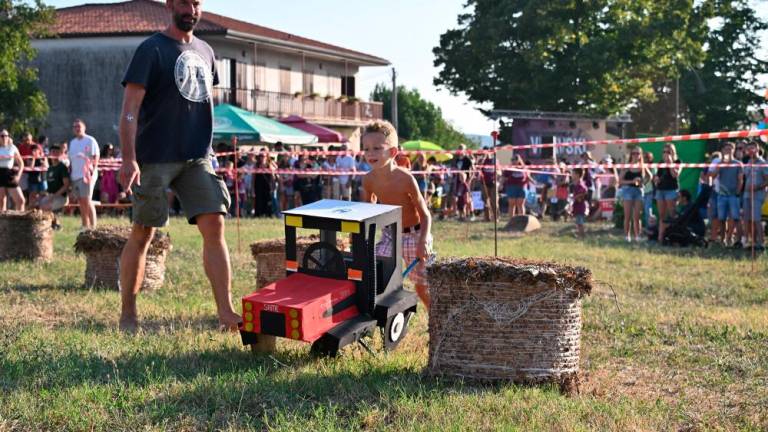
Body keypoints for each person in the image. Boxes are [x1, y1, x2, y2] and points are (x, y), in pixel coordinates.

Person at [117, 0, 240, 333]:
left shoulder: (206, 50)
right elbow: (130, 108)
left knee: (215, 224)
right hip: (154, 156)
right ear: (170, 3)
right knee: (143, 232)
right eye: (185, 1)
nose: (192, 9)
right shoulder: (151, 49)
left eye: (197, 2)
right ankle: (128, 313)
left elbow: (198, 101)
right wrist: (129, 157)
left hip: (197, 155)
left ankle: (227, 313)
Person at [361, 120, 433, 309]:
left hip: (414, 235)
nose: (370, 153)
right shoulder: (368, 180)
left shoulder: (406, 179)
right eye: (366, 148)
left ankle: (436, 319)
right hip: (389, 235)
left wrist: (423, 241)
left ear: (393, 152)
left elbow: (425, 215)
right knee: (374, 272)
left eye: (377, 148)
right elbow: (368, 211)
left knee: (422, 286)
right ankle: (385, 313)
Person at [69, 118, 100, 229]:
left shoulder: (90, 140)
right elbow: (71, 160)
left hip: (86, 175)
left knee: (87, 200)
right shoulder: (72, 143)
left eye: (79, 126)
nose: (77, 129)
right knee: (81, 201)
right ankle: (85, 225)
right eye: (75, 127)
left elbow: (95, 157)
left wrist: (91, 173)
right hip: (75, 176)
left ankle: (93, 226)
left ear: (84, 128)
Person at [712, 142, 744, 247]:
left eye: (730, 149)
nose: (728, 151)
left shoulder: (738, 163)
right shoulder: (720, 163)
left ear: (734, 150)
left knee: (735, 218)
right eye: (726, 149)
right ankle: (723, 239)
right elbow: (714, 175)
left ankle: (734, 239)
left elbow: (740, 180)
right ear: (723, 150)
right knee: (721, 219)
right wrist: (721, 163)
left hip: (733, 195)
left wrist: (737, 193)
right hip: (721, 195)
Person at [619, 148, 649, 242]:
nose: (636, 155)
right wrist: (631, 181)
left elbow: (650, 176)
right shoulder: (627, 166)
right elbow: (620, 181)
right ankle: (626, 236)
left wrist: (643, 183)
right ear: (631, 155)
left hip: (638, 191)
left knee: (637, 216)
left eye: (638, 153)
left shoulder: (642, 166)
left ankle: (637, 236)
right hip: (627, 190)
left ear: (640, 155)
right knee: (627, 216)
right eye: (634, 153)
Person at [742, 141, 767, 251]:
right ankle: (750, 242)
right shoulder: (747, 162)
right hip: (747, 194)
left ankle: (761, 243)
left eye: (753, 148)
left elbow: (767, 180)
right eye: (749, 148)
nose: (751, 150)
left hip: (758, 195)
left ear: (757, 149)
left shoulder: (763, 163)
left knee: (757, 219)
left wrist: (757, 187)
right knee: (747, 219)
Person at [654, 143, 681, 244]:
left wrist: (670, 163)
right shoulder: (661, 162)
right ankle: (660, 238)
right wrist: (656, 178)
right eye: (664, 152)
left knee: (672, 214)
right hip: (660, 190)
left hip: (671, 190)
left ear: (673, 152)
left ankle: (673, 237)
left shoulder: (678, 161)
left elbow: (675, 175)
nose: (666, 154)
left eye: (668, 152)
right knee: (662, 216)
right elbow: (657, 176)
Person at [38, 144, 70, 229]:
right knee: (38, 203)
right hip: (52, 195)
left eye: (56, 152)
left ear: (60, 154)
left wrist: (54, 196)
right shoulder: (50, 168)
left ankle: (55, 224)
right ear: (49, 154)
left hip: (61, 197)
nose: (54, 154)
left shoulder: (62, 167)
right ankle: (54, 224)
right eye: (53, 152)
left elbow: (66, 185)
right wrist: (42, 193)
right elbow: (50, 187)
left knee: (45, 206)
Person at [0, 129, 25, 211]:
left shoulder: (12, 147)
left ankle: (20, 222)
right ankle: (2, 223)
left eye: (6, 136)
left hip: (10, 174)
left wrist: (18, 175)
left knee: (21, 201)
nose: (4, 138)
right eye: (2, 136)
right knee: (2, 201)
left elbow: (21, 163)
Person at [26, 143, 48, 207]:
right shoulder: (29, 158)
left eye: (36, 149)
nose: (34, 151)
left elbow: (47, 167)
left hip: (43, 178)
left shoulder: (43, 157)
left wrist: (43, 162)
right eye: (33, 150)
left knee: (44, 194)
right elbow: (30, 167)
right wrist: (34, 158)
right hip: (33, 179)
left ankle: (42, 209)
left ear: (39, 150)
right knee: (33, 195)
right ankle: (31, 209)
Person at [571, 168, 588, 238]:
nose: (571, 175)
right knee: (578, 222)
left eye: (573, 173)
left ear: (577, 175)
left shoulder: (580, 184)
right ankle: (580, 234)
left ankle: (582, 235)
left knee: (580, 222)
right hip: (577, 205)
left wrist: (576, 197)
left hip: (580, 205)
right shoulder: (576, 184)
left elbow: (584, 191)